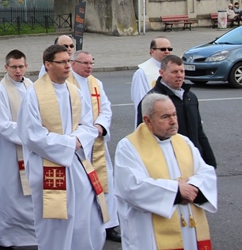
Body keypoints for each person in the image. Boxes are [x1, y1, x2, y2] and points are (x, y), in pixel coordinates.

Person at [17, 44, 106, 250]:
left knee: (83, 219)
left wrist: (77, 140)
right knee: (56, 225)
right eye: (62, 62)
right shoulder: (34, 95)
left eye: (68, 61)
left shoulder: (74, 92)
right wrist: (69, 143)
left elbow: (88, 124)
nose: (67, 66)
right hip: (47, 167)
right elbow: (31, 135)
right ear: (48, 64)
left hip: (76, 165)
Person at [115, 93, 217, 250]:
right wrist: (177, 191)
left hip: (189, 227)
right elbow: (132, 187)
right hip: (149, 232)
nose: (173, 121)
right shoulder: (128, 147)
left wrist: (191, 187)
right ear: (148, 120)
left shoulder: (183, 141)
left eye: (174, 114)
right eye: (165, 117)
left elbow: (206, 173)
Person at [0, 49, 36, 249]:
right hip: (8, 152)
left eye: (21, 66)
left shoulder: (31, 86)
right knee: (8, 194)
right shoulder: (0, 91)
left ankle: (31, 236)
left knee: (30, 195)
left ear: (26, 66)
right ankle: (4, 238)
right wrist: (30, 132)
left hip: (30, 150)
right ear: (6, 67)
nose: (17, 71)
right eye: (13, 67)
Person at [70, 50, 121, 242]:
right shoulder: (66, 83)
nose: (89, 66)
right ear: (73, 63)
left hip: (97, 141)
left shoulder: (96, 83)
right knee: (81, 186)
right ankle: (81, 226)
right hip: (77, 143)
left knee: (104, 181)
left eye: (91, 63)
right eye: (85, 63)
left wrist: (100, 126)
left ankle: (108, 225)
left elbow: (106, 108)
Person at [136, 55, 217, 168]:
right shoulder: (152, 101)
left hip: (194, 159)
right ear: (162, 72)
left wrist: (210, 162)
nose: (179, 75)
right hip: (169, 162)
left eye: (182, 71)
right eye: (174, 72)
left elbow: (199, 132)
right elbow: (144, 137)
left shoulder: (190, 97)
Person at [131, 37, 172, 128]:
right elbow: (141, 103)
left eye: (169, 49)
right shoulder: (142, 73)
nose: (167, 51)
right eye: (163, 49)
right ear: (152, 51)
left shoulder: (171, 70)